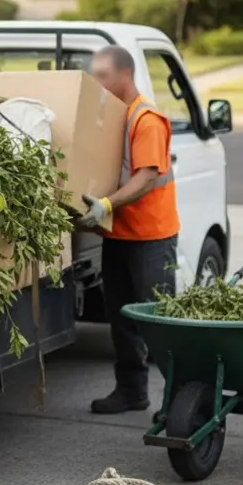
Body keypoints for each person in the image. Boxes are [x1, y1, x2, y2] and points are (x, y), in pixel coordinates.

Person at [79, 46, 180, 414]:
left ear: (125, 75)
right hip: (120, 236)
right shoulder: (114, 118)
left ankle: (179, 400)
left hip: (151, 238)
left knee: (158, 324)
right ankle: (132, 391)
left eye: (104, 75)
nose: (98, 82)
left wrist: (106, 205)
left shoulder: (146, 119)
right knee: (121, 320)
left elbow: (147, 177)